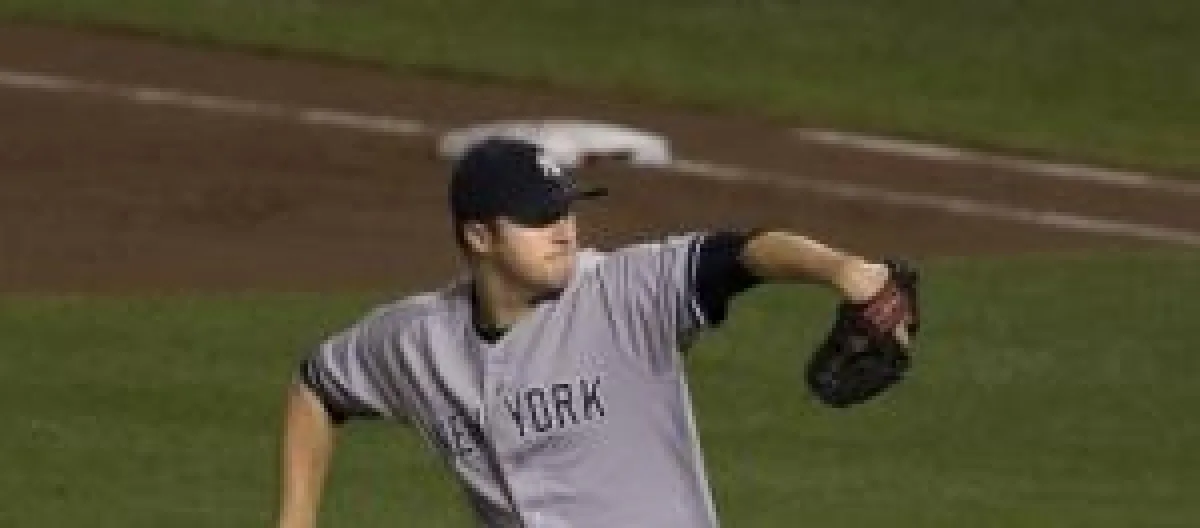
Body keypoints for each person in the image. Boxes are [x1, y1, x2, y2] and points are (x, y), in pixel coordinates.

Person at [276, 138, 916, 528]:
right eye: (539, 218)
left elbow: (742, 255)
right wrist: (296, 517)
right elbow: (318, 388)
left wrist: (846, 271)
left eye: (565, 210)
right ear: (479, 236)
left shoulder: (623, 292)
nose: (564, 230)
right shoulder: (416, 342)